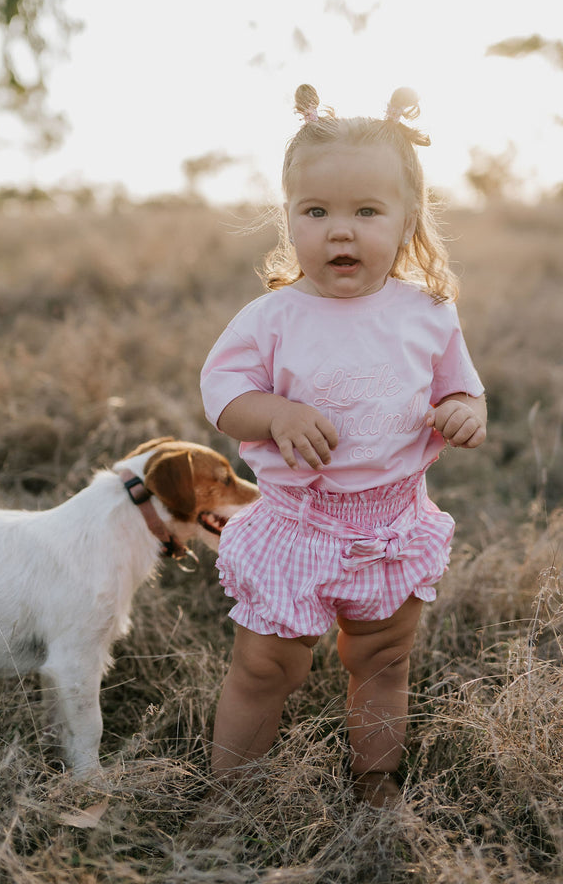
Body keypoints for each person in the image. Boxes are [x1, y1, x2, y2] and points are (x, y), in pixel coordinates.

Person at [200, 84, 487, 807]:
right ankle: (229, 794)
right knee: (266, 667)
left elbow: (460, 387)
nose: (339, 232)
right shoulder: (271, 318)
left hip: (392, 526)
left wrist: (463, 412)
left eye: (366, 212)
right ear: (289, 218)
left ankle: (376, 783)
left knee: (383, 661)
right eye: (316, 211)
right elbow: (223, 397)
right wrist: (274, 412)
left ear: (406, 219)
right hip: (299, 523)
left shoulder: (427, 312)